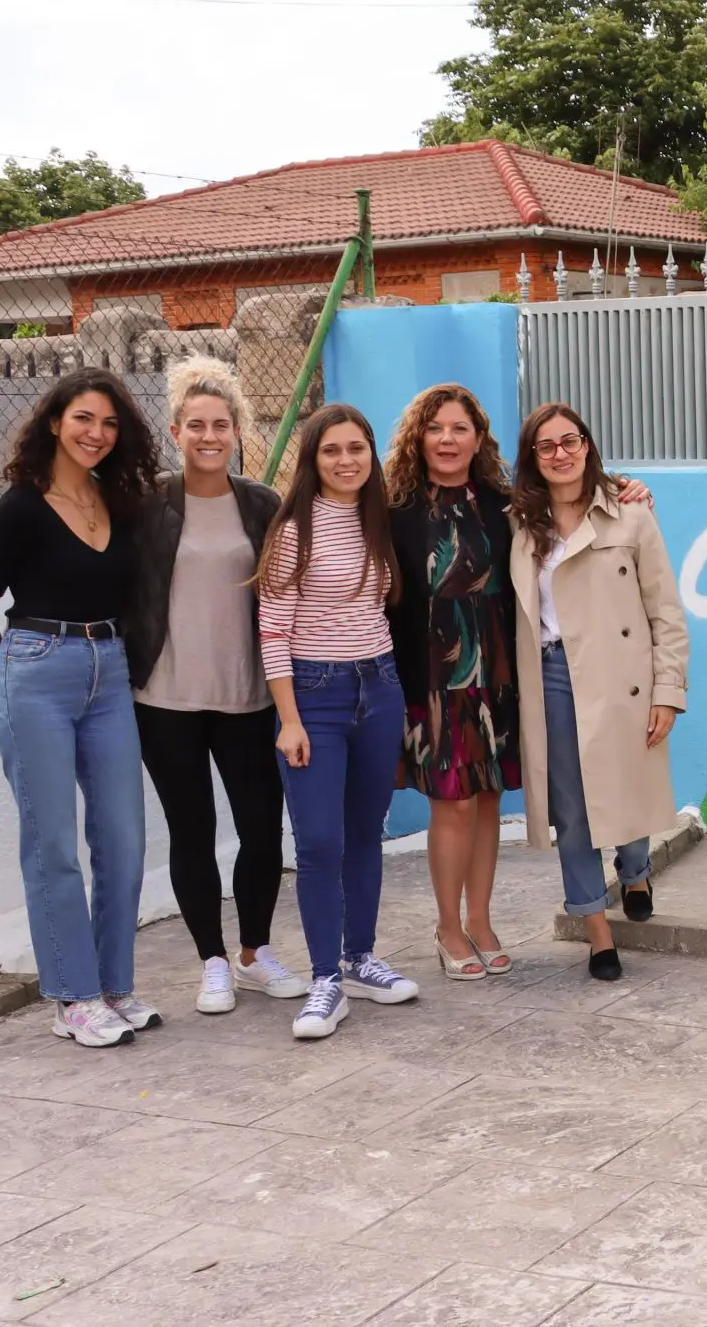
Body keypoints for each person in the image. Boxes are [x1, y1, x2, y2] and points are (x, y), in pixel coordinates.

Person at [0, 369, 161, 1047]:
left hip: (110, 672)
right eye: (83, 418)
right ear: (54, 422)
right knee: (52, 843)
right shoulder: (18, 510)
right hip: (36, 670)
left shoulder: (117, 502)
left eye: (108, 423)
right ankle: (73, 997)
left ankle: (114, 985)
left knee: (123, 839)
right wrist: (12, 680)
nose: (96, 434)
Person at [125, 358, 306, 1015]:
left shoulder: (261, 505)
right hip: (165, 698)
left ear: (236, 431)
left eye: (220, 425)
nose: (208, 436)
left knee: (262, 831)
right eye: (196, 425)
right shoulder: (146, 505)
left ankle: (254, 954)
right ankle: (213, 963)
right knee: (192, 831)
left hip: (248, 697)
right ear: (176, 431)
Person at [256, 404, 421, 1039]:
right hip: (314, 697)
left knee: (364, 834)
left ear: (372, 455)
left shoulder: (382, 518)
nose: (346, 460)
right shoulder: (291, 530)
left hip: (379, 687)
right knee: (319, 842)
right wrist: (289, 719)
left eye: (357, 448)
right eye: (332, 450)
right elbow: (273, 632)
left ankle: (359, 960)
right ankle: (325, 977)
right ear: (312, 458)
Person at [509, 403, 689, 980]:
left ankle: (635, 871)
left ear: (587, 445)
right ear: (532, 458)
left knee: (625, 794)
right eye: (546, 446)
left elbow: (665, 610)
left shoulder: (629, 512)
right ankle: (596, 931)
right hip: (552, 675)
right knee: (573, 811)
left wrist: (668, 691)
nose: (560, 454)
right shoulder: (518, 522)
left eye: (570, 441)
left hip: (620, 675)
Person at [385, 384, 524, 981]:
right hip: (433, 680)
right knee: (455, 802)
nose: (446, 439)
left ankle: (481, 920)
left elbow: (572, 492)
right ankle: (447, 927)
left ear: (478, 438)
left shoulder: (503, 504)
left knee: (488, 797)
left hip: (495, 675)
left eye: (459, 428)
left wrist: (627, 487)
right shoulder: (394, 510)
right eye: (435, 428)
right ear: (418, 438)